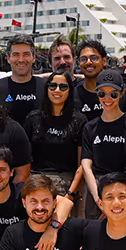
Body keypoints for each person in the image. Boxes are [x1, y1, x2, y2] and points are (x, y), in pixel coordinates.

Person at [23, 68, 87, 199]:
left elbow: (82, 164)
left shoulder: (79, 120)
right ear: (47, 89)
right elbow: (25, 158)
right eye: (53, 86)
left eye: (63, 87)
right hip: (36, 181)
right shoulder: (33, 118)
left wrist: (71, 193)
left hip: (66, 183)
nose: (57, 90)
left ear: (70, 90)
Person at [81, 69, 126, 217]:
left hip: (124, 189)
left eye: (113, 94)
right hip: (97, 190)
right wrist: (99, 198)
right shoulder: (90, 127)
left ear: (122, 94)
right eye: (102, 94)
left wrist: (120, 195)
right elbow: (86, 165)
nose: (107, 98)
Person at [0, 34, 41, 124]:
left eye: (26, 54)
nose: (21, 60)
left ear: (34, 58)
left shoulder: (46, 87)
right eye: (16, 54)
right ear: (8, 58)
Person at [71, 39, 109, 121]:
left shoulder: (117, 93)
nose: (88, 62)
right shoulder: (72, 97)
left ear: (104, 61)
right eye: (83, 59)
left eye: (93, 58)